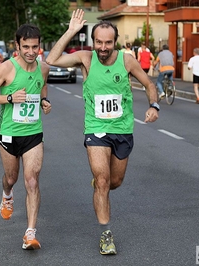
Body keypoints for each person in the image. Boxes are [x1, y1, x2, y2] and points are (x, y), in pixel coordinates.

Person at [46, 9, 158, 255]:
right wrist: (71, 31)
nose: (103, 47)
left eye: (108, 42)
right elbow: (51, 60)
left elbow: (149, 83)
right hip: (96, 129)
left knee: (114, 182)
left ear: (114, 42)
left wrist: (154, 105)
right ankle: (106, 234)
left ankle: (100, 186)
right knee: (104, 181)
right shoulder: (86, 58)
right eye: (99, 42)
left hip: (122, 130)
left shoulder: (127, 60)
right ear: (92, 41)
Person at [0, 24, 51, 250]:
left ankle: (30, 233)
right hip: (9, 134)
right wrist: (9, 98)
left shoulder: (43, 68)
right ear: (17, 46)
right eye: (26, 47)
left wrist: (44, 101)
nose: (31, 51)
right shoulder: (6, 69)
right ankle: (7, 194)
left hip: (33, 134)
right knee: (12, 178)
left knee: (32, 180)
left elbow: (42, 87)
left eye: (35, 47)